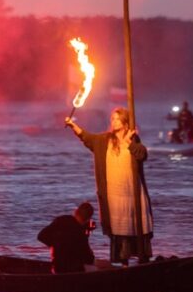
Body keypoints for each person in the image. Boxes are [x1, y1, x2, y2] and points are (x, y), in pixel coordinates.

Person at [65, 108, 154, 264]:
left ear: (126, 123)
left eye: (117, 119)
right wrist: (73, 125)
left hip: (132, 192)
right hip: (114, 193)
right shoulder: (104, 140)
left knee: (135, 224)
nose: (113, 121)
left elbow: (142, 155)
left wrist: (128, 143)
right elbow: (87, 138)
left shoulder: (133, 139)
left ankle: (142, 260)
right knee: (119, 227)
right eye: (112, 118)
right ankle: (123, 263)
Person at [37, 202, 97, 274]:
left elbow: (41, 236)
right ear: (88, 219)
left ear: (75, 211)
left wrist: (56, 245)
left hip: (57, 268)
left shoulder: (61, 220)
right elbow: (89, 259)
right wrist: (87, 233)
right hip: (74, 272)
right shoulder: (81, 233)